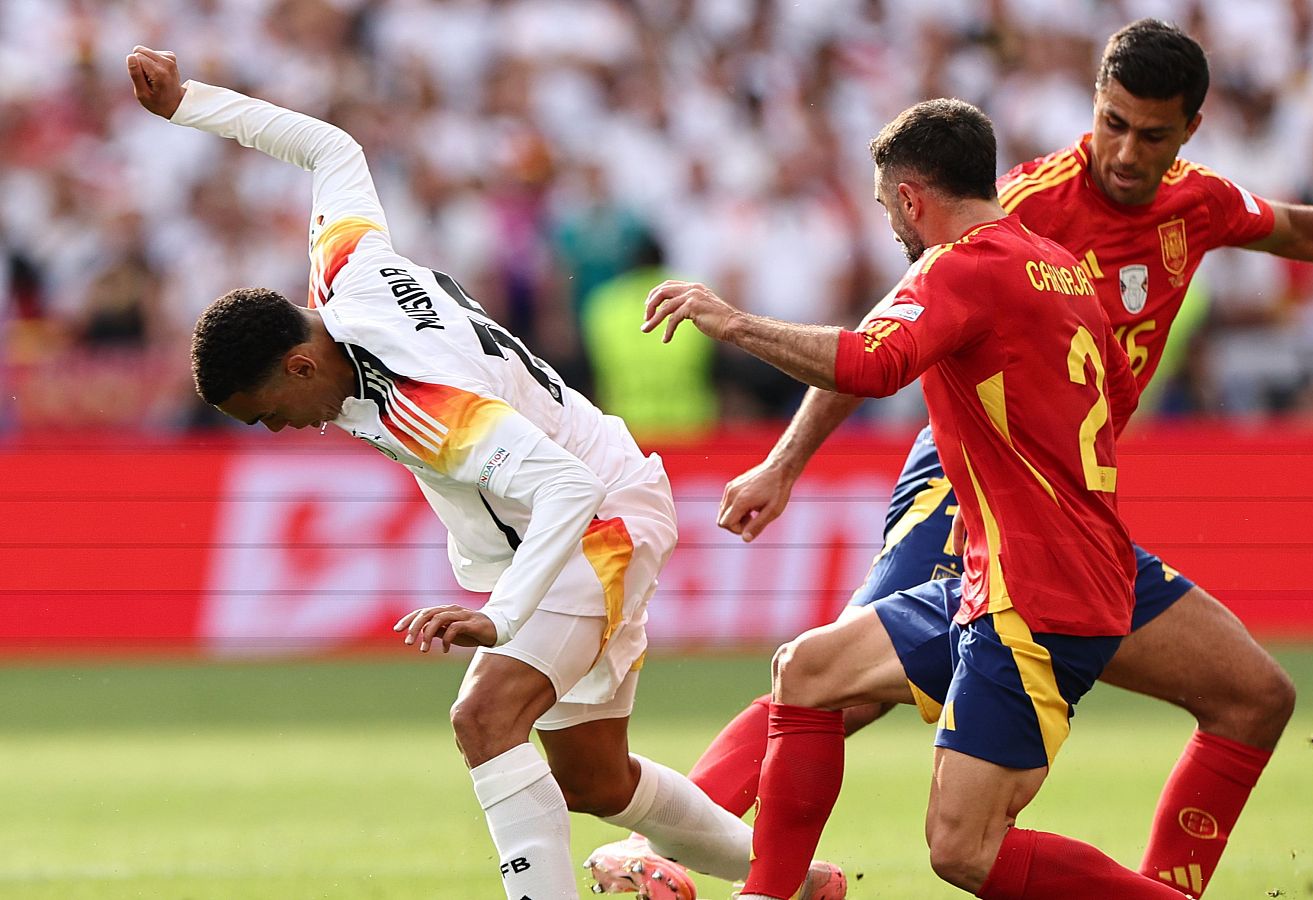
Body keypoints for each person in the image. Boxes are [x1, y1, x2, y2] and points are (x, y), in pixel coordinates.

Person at [595, 18, 1313, 898]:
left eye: (1153, 134)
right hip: (969, 479)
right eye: (1113, 124)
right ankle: (671, 851)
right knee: (831, 686)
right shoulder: (1020, 209)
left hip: (1072, 502)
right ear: (1092, 105)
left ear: (1190, 130)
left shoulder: (1200, 204)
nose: (1127, 153)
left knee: (1255, 698)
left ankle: (1160, 890)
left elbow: (1302, 228)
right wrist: (788, 461)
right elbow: (886, 340)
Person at [126, 46, 845, 900]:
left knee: (484, 716)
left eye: (266, 411)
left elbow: (565, 493)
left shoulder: (420, 400)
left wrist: (498, 618)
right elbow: (332, 151)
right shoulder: (346, 271)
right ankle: (803, 888)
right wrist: (187, 104)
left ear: (298, 366)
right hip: (569, 509)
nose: (278, 429)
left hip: (597, 514)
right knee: (595, 782)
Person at [642, 96, 1192, 899]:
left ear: (910, 197)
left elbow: (869, 364)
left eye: (885, 207)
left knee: (962, 850)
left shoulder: (960, 265)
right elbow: (1111, 391)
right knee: (808, 669)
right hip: (999, 575)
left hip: (1037, 597)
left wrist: (731, 323)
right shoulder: (1059, 264)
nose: (891, 230)